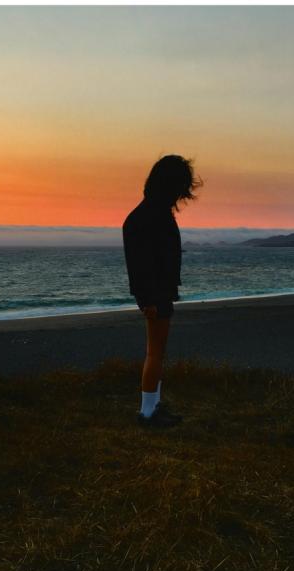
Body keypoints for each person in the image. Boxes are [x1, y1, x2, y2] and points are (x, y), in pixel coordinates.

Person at [122, 155, 202, 427]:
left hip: (158, 293)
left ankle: (153, 407)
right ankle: (147, 413)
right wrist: (147, 299)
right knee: (155, 352)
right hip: (155, 295)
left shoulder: (147, 214)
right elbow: (140, 263)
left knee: (156, 352)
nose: (183, 195)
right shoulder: (149, 217)